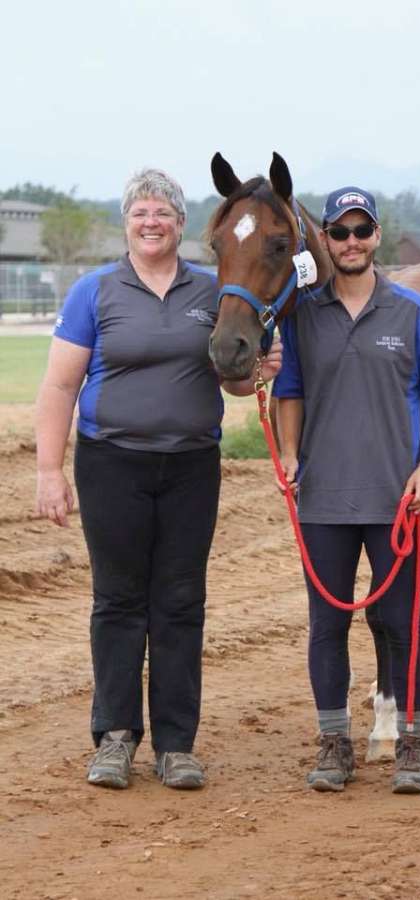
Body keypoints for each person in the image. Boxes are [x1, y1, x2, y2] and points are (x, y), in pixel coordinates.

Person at [35, 168, 281, 791]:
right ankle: (115, 737)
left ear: (181, 226)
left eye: (163, 213)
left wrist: (258, 369)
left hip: (191, 466)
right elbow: (61, 385)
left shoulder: (210, 289)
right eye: (141, 212)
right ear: (127, 223)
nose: (152, 222)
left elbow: (229, 380)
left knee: (179, 602)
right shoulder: (95, 292)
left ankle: (176, 745)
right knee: (118, 600)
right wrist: (47, 471)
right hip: (111, 462)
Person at [272, 187, 420, 794]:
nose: (351, 242)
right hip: (322, 497)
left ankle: (412, 743)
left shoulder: (412, 311)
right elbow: (288, 391)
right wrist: (291, 455)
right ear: (325, 238)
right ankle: (333, 745)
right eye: (340, 232)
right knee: (327, 625)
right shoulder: (303, 315)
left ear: (377, 237)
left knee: (402, 622)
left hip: (397, 497)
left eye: (362, 231)